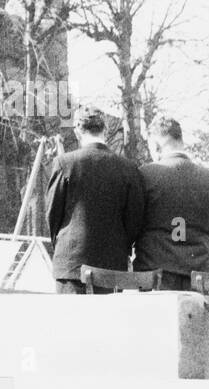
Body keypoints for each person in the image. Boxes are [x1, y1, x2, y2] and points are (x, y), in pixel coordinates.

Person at [45, 105, 145, 294]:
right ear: (105, 130)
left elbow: (52, 215)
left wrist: (63, 246)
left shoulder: (64, 163)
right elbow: (135, 221)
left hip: (71, 266)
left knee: (70, 323)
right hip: (112, 268)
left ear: (77, 131)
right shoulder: (129, 168)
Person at [133, 116, 209, 290]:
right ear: (180, 140)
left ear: (155, 145)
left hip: (154, 276)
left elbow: (133, 224)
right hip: (198, 276)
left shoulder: (145, 175)